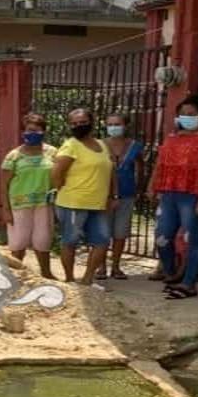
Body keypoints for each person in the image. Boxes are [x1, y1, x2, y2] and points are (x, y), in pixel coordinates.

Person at [145, 95, 198, 300]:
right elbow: (160, 163)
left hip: (194, 194)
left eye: (192, 114)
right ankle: (172, 273)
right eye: (183, 114)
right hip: (169, 192)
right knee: (163, 237)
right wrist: (152, 186)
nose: (186, 117)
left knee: (193, 240)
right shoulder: (173, 137)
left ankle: (189, 283)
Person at [51, 108, 116, 287]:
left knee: (102, 240)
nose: (78, 126)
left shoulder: (102, 145)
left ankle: (88, 279)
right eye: (74, 123)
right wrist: (61, 188)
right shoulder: (70, 145)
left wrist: (113, 195)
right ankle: (70, 279)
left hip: (98, 203)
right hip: (73, 203)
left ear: (92, 122)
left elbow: (111, 171)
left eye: (82, 122)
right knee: (70, 241)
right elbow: (56, 172)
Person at [0, 112, 57, 279]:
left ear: (44, 132)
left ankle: (46, 273)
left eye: (37, 131)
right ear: (23, 132)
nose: (33, 134)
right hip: (19, 204)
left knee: (43, 240)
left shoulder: (52, 153)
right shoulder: (14, 156)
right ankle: (15, 276)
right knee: (18, 242)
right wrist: (6, 209)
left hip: (44, 204)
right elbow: (4, 185)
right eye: (29, 130)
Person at [97, 113, 145, 281]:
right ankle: (100, 266)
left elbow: (140, 167)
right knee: (102, 232)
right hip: (103, 196)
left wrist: (139, 188)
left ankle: (116, 266)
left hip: (127, 194)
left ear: (125, 125)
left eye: (117, 123)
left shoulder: (134, 146)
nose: (114, 127)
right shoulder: (99, 145)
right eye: (110, 124)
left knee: (120, 232)